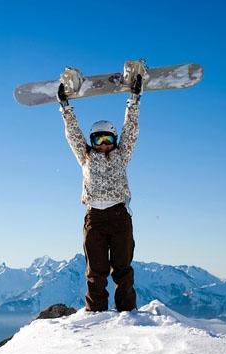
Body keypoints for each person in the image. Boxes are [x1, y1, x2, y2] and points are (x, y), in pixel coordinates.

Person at [57, 73, 143, 312]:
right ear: (92, 142)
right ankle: (96, 314)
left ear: (115, 140)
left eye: (108, 139)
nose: (103, 144)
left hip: (118, 215)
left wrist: (134, 99)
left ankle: (127, 312)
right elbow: (73, 134)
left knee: (123, 267)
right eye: (98, 139)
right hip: (94, 216)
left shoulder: (121, 155)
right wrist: (65, 107)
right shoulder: (86, 158)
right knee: (95, 270)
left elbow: (131, 130)